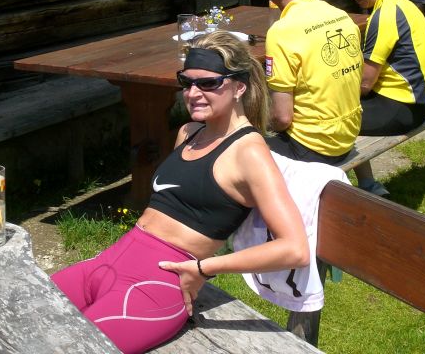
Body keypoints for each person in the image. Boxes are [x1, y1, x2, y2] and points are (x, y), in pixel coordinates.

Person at [51, 31, 309, 354]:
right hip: (109, 262)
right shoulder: (189, 132)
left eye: (209, 83)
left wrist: (204, 269)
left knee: (68, 348)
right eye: (187, 83)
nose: (193, 93)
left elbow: (295, 248)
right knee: (22, 309)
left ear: (239, 87)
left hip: (154, 288)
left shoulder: (249, 152)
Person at [250, 0, 363, 166]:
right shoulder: (340, 15)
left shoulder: (281, 32)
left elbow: (282, 118)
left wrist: (255, 124)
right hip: (348, 136)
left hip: (314, 147)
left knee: (234, 142)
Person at [338, 0, 425, 196]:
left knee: (328, 117)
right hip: (419, 103)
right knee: (341, 108)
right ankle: (369, 185)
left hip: (401, 109)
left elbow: (364, 84)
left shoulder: (383, 16)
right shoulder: (402, 4)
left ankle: (341, 192)